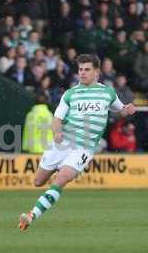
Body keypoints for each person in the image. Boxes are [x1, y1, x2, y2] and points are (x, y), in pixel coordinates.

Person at [18, 54, 136, 231]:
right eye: (80, 69)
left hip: (83, 148)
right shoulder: (71, 94)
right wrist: (57, 133)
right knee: (38, 181)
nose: (82, 73)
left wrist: (128, 110)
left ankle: (30, 216)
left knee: (60, 179)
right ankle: (61, 168)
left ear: (96, 72)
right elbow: (57, 118)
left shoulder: (108, 93)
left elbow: (120, 110)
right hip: (63, 142)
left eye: (87, 69)